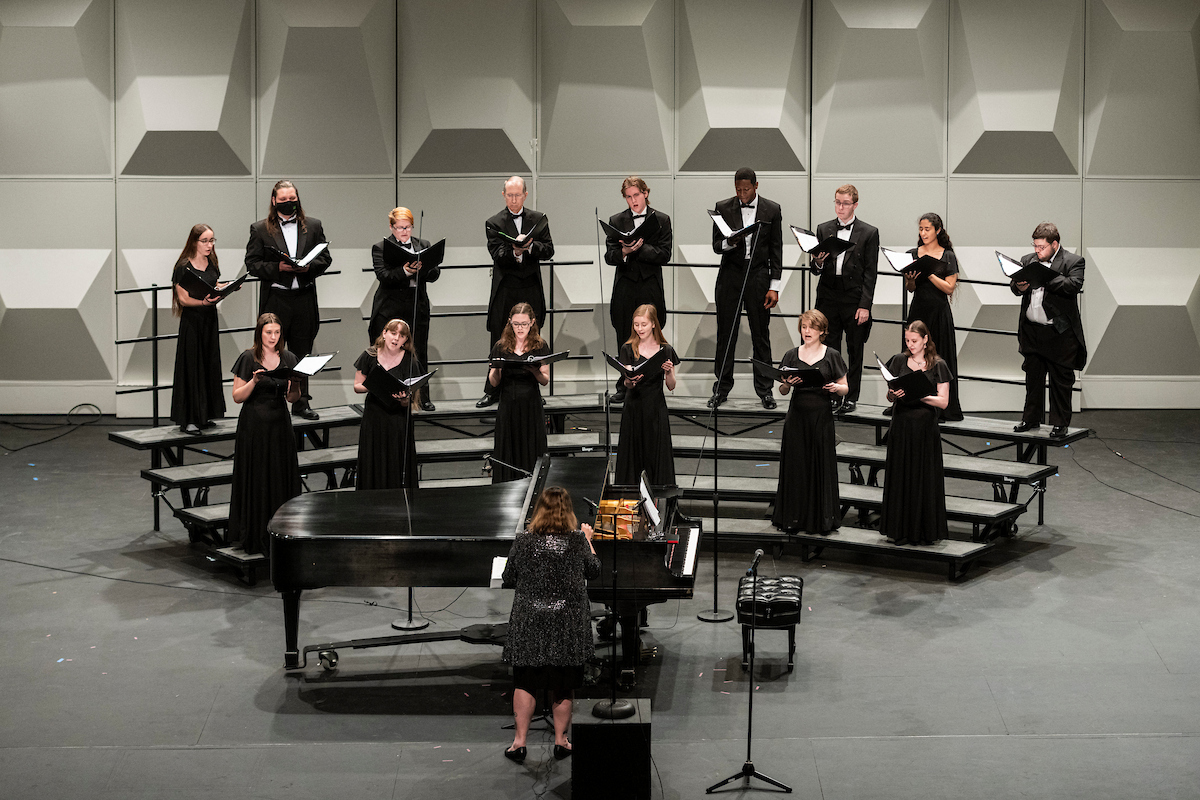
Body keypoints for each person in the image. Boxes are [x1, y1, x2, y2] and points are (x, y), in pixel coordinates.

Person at [501, 486, 601, 763]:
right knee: (563, 681)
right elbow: (594, 570)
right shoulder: (578, 540)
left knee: (525, 680)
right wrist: (589, 540)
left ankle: (519, 743)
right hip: (567, 621)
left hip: (530, 620)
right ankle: (561, 741)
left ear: (539, 510)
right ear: (568, 510)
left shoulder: (523, 540)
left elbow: (508, 576)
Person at [244, 180, 333, 421]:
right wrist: (278, 267)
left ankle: (301, 403)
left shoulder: (313, 226)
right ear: (274, 201)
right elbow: (252, 264)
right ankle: (271, 402)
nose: (288, 203)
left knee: (303, 352)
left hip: (304, 297)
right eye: (283, 200)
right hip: (277, 299)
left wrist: (309, 268)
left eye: (291, 198)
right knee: (273, 351)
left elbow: (325, 259)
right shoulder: (260, 229)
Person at [227, 313, 303, 556]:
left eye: (277, 332)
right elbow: (237, 396)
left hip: (280, 425)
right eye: (269, 332)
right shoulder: (248, 358)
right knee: (257, 476)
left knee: (280, 476)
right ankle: (254, 532)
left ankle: (282, 532)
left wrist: (296, 382)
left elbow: (292, 398)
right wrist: (254, 381)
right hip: (254, 426)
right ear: (260, 332)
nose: (273, 337)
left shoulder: (289, 357)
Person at [709, 167, 783, 409]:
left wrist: (774, 286)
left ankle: (765, 391)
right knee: (725, 334)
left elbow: (776, 250)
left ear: (756, 186)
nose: (742, 194)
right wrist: (730, 242)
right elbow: (716, 246)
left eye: (746, 189)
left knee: (761, 334)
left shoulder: (772, 209)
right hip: (730, 276)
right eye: (738, 190)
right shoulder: (722, 207)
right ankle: (721, 389)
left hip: (759, 276)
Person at [478, 177, 554, 408]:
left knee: (532, 335)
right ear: (503, 195)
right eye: (509, 195)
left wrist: (529, 247)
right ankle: (493, 390)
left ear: (525, 194)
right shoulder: (493, 222)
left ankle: (532, 388)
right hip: (506, 287)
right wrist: (515, 250)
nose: (513, 199)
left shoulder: (538, 219)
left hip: (530, 285)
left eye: (517, 195)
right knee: (501, 336)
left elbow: (549, 249)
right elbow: (496, 253)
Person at [771, 310, 848, 534]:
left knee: (819, 465)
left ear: (822, 330)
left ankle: (820, 519)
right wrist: (788, 384)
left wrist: (836, 388)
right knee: (797, 465)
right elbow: (783, 389)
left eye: (812, 327)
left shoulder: (831, 355)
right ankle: (794, 517)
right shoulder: (791, 355)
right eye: (804, 327)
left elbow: (845, 387)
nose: (807, 331)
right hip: (797, 416)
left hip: (820, 417)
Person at [878, 321, 951, 546]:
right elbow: (890, 396)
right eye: (907, 341)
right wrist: (893, 394)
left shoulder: (938, 364)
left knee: (923, 476)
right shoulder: (899, 361)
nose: (910, 345)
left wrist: (918, 395)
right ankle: (899, 530)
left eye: (915, 341)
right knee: (900, 474)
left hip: (924, 428)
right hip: (901, 425)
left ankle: (924, 531)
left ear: (925, 339)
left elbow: (944, 402)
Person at [1011, 222, 1086, 438]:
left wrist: (1044, 275)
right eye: (1035, 246)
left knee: (1060, 381)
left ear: (1055, 244)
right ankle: (1031, 418)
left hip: (1058, 334)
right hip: (1032, 332)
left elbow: (1073, 286)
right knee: (1033, 378)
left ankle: (1059, 423)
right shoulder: (1028, 260)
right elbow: (1016, 287)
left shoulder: (1073, 261)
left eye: (1041, 247)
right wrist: (1021, 286)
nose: (1037, 251)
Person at [604, 177, 673, 404]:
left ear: (645, 193)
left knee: (651, 335)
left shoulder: (661, 220)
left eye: (636, 195)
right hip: (625, 287)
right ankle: (624, 385)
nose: (633, 200)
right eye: (628, 196)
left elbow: (664, 254)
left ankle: (652, 383)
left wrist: (639, 247)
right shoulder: (617, 220)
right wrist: (624, 251)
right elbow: (609, 256)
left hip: (650, 287)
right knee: (625, 334)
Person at [812, 184, 879, 414]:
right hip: (828, 296)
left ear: (855, 205)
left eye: (845, 203)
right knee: (829, 349)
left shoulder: (869, 232)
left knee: (854, 349)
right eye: (837, 202)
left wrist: (865, 305)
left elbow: (871, 272)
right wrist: (818, 261)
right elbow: (815, 268)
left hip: (853, 298)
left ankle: (851, 397)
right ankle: (832, 395)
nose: (840, 207)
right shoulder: (823, 228)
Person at [369, 207, 440, 412]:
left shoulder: (423, 245)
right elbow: (383, 275)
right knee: (388, 352)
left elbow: (435, 273)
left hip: (417, 305)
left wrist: (424, 268)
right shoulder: (381, 247)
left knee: (419, 351)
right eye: (399, 228)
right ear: (391, 227)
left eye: (407, 227)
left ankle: (422, 397)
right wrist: (404, 271)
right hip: (390, 307)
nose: (404, 231)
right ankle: (385, 395)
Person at [170, 224, 230, 435]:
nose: (209, 245)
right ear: (194, 242)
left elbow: (212, 284)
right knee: (192, 367)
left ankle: (204, 415)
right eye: (205, 241)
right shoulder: (183, 267)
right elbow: (184, 299)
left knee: (208, 363)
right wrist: (204, 303)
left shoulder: (211, 262)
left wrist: (227, 287)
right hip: (193, 321)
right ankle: (189, 419)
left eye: (212, 240)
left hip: (210, 320)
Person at [904, 213, 963, 421]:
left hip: (939, 312)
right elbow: (910, 288)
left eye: (927, 229)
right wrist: (911, 279)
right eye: (921, 229)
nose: (923, 233)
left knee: (939, 356)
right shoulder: (913, 254)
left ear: (938, 230)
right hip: (918, 311)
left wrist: (928, 272)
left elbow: (949, 288)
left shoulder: (948, 256)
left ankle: (942, 405)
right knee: (913, 353)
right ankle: (911, 399)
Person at [615, 305, 679, 486]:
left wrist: (669, 373)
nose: (639, 329)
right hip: (633, 406)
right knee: (633, 453)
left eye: (643, 324)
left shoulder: (665, 350)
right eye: (636, 324)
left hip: (655, 408)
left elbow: (671, 386)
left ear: (653, 324)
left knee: (655, 452)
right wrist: (630, 381)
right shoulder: (628, 348)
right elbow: (626, 382)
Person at [353, 318, 420, 491]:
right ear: (384, 333)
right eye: (393, 333)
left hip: (397, 419)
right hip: (374, 416)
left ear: (406, 340)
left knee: (396, 460)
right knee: (373, 458)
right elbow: (357, 386)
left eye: (402, 335)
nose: (396, 338)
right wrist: (375, 385)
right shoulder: (369, 355)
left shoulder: (409, 360)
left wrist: (404, 399)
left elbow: (409, 399)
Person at [488, 303, 549, 483]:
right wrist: (497, 368)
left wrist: (534, 371)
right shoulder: (501, 346)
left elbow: (545, 380)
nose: (520, 328)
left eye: (523, 324)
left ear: (532, 323)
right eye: (516, 324)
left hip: (530, 405)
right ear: (510, 323)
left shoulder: (539, 345)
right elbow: (493, 381)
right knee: (508, 447)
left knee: (531, 446)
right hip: (508, 404)